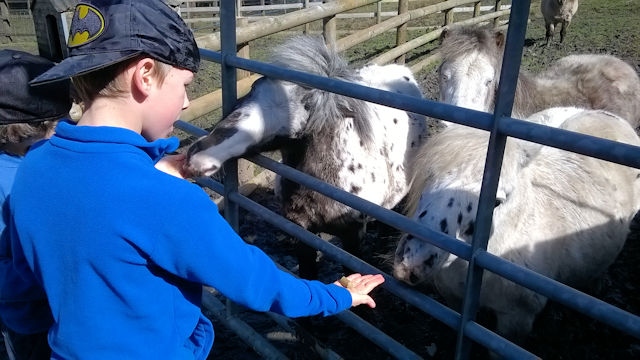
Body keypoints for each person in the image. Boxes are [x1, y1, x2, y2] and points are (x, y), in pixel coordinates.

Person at [8, 1, 385, 359]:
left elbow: (21, 298)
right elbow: (253, 281)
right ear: (144, 76)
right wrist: (336, 294)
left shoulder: (34, 167)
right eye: (184, 84)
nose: (187, 102)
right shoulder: (165, 199)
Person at [0, 49, 73, 360]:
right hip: (33, 319)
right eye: (59, 125)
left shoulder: (52, 160)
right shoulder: (10, 184)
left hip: (65, 312)